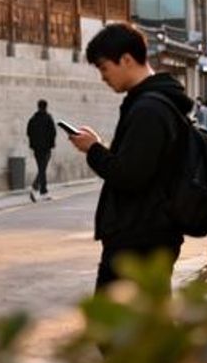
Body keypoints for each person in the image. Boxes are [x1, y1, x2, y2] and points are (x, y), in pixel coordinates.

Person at [68, 22, 190, 294]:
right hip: (150, 232)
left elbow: (130, 175)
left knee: (120, 329)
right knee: (147, 327)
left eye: (103, 67)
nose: (102, 76)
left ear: (126, 59)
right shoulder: (156, 102)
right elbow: (141, 164)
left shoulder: (149, 109)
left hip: (139, 238)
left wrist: (93, 149)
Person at [26, 99, 56, 202]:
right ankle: (38, 189)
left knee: (41, 168)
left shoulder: (33, 119)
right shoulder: (48, 118)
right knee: (42, 169)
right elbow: (53, 132)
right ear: (46, 106)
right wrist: (51, 144)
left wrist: (33, 144)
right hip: (46, 148)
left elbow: (29, 132)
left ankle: (41, 190)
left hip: (36, 148)